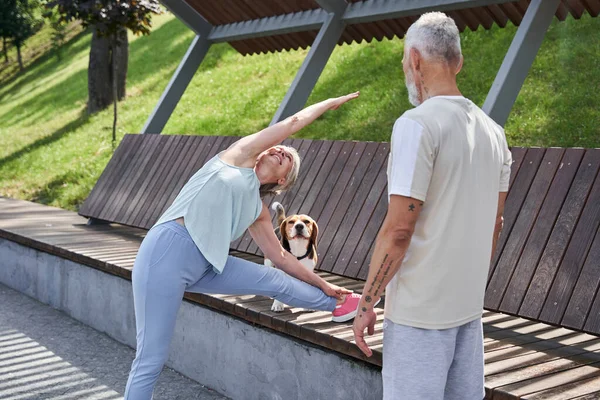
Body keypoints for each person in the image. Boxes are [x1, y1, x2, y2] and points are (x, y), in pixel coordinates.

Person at [124, 92, 364, 399]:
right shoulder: (237, 156)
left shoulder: (258, 210)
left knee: (274, 279)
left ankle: (343, 305)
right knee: (151, 358)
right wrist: (329, 103)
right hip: (166, 253)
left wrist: (325, 285)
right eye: (280, 149)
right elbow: (292, 122)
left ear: (283, 181)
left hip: (206, 265)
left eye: (288, 159)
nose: (281, 152)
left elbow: (280, 256)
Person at [352, 12, 512, 400]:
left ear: (415, 60)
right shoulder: (495, 133)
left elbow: (399, 230)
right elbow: (496, 223)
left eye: (406, 61)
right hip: (467, 310)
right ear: (458, 62)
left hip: (419, 315)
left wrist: (366, 302)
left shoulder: (417, 125)